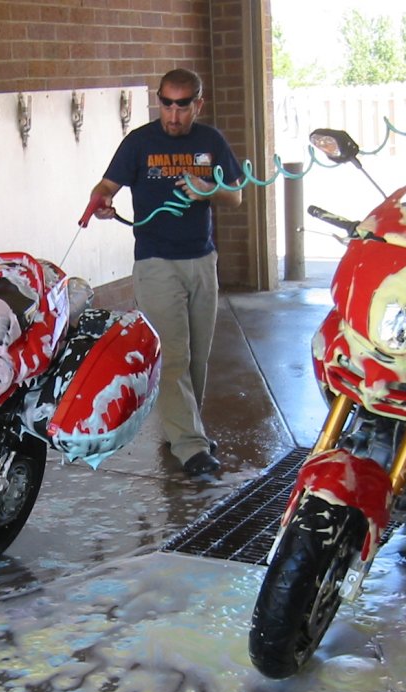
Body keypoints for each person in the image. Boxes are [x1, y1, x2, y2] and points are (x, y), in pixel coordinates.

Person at [86, 68, 243, 477]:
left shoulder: (211, 142)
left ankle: (186, 430)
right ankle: (191, 447)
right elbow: (105, 187)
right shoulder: (139, 142)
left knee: (197, 358)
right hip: (156, 262)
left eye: (183, 105)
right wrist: (100, 202)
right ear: (160, 102)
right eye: (167, 104)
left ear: (198, 104)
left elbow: (236, 195)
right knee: (172, 357)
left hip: (202, 260)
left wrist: (210, 190)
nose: (174, 115)